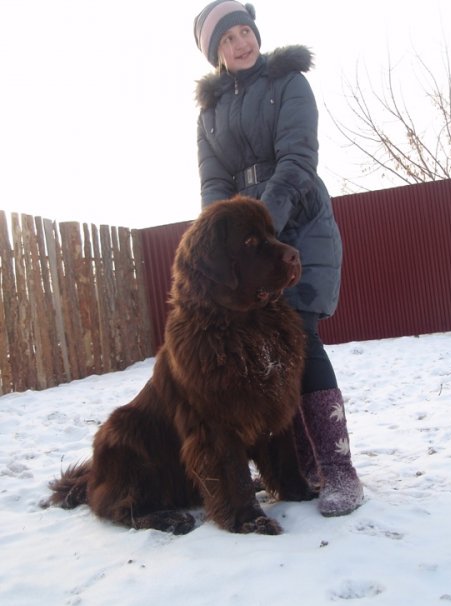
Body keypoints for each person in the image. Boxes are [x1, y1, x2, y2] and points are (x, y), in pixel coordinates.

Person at [193, 0, 363, 516]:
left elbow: (298, 158)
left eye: (245, 32)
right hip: (250, 244)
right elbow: (213, 186)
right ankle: (301, 464)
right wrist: (223, 243)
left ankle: (339, 470)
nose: (242, 43)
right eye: (229, 39)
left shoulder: (289, 82)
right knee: (268, 349)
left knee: (301, 337)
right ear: (215, 53)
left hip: (300, 224)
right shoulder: (210, 112)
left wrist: (262, 227)